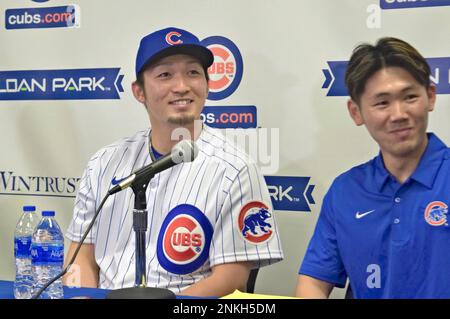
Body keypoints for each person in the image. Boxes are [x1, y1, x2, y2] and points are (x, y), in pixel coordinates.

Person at [64, 27, 283, 297]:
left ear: (208, 84)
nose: (182, 86)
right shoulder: (103, 163)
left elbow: (232, 276)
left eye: (193, 72)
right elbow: (80, 256)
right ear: (139, 92)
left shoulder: (235, 168)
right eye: (165, 75)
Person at [296, 37, 450, 298]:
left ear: (431, 97)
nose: (399, 113)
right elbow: (312, 283)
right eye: (382, 103)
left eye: (410, 96)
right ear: (356, 112)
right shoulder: (344, 191)